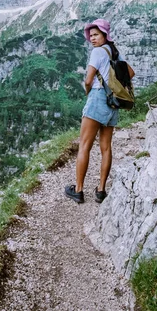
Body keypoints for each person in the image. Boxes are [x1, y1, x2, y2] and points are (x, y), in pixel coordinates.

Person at [65, 18, 135, 204]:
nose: (92, 38)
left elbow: (88, 80)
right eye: (91, 35)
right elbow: (131, 73)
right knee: (106, 148)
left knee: (84, 145)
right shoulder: (114, 52)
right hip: (113, 103)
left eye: (96, 35)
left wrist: (89, 93)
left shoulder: (97, 52)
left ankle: (78, 190)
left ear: (105, 35)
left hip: (97, 99)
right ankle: (101, 190)